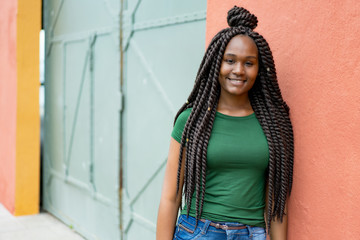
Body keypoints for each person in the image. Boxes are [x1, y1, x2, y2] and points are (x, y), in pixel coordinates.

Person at [156, 6, 294, 240]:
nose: (238, 70)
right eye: (230, 60)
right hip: (199, 232)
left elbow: (276, 207)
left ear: (259, 69)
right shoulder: (191, 120)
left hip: (252, 234)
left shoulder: (273, 124)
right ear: (216, 64)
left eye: (249, 63)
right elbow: (171, 197)